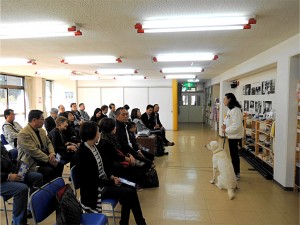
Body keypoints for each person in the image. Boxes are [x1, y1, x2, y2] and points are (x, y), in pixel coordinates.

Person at [75, 121, 147, 225]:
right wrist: (112, 183)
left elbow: (101, 169)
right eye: (97, 131)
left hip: (103, 182)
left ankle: (129, 222)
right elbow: (92, 180)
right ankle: (138, 222)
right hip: (95, 190)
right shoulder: (82, 153)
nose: (99, 133)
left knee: (130, 189)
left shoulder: (92, 146)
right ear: (92, 134)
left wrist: (111, 176)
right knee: (129, 192)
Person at [1, 142, 43, 225]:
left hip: (8, 174)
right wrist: (7, 177)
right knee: (21, 189)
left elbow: (8, 161)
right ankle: (18, 223)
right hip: (3, 179)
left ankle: (31, 209)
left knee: (37, 177)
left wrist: (19, 166)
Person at [17, 110, 64, 183]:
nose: (44, 121)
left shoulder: (41, 130)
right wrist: (49, 159)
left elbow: (49, 142)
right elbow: (33, 151)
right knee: (49, 170)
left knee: (59, 163)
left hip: (44, 156)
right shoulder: (23, 134)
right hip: (30, 161)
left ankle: (56, 187)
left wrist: (52, 153)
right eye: (42, 119)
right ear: (34, 120)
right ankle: (46, 189)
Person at [222, 93, 243, 180]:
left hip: (235, 136)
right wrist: (224, 125)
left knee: (234, 155)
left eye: (225, 99)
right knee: (232, 154)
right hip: (230, 136)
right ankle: (234, 172)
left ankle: (236, 173)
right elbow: (228, 120)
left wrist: (226, 130)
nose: (224, 101)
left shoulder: (236, 110)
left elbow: (237, 125)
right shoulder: (230, 110)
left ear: (229, 99)